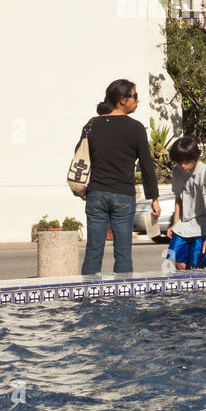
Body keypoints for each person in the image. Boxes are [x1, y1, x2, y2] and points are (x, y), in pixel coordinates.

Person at [76, 79, 159, 275]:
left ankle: (88, 301)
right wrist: (153, 198)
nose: (137, 101)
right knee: (123, 254)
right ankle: (124, 302)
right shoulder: (136, 128)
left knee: (93, 252)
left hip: (96, 194)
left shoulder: (91, 126)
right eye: (135, 96)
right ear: (122, 100)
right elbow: (147, 166)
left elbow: (80, 157)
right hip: (123, 196)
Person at [166, 136, 206, 270]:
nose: (182, 166)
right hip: (184, 225)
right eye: (179, 162)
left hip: (202, 226)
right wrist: (175, 223)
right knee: (177, 260)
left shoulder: (204, 173)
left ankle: (200, 291)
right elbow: (178, 199)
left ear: (195, 157)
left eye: (185, 162)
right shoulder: (177, 171)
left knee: (197, 265)